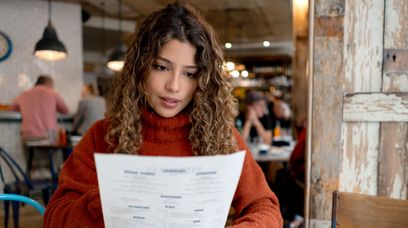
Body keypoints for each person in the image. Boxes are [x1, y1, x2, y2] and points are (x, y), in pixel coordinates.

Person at [44, 1, 282, 227]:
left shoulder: (220, 137)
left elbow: (264, 207)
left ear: (203, 80)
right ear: (140, 68)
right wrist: (111, 201)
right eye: (162, 67)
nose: (174, 87)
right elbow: (55, 217)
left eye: (189, 74)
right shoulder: (103, 135)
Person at [10, 75, 69, 142]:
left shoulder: (23, 94)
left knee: (29, 152)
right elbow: (65, 110)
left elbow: (12, 108)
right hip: (47, 136)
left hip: (27, 135)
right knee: (55, 152)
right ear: (48, 83)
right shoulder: (53, 94)